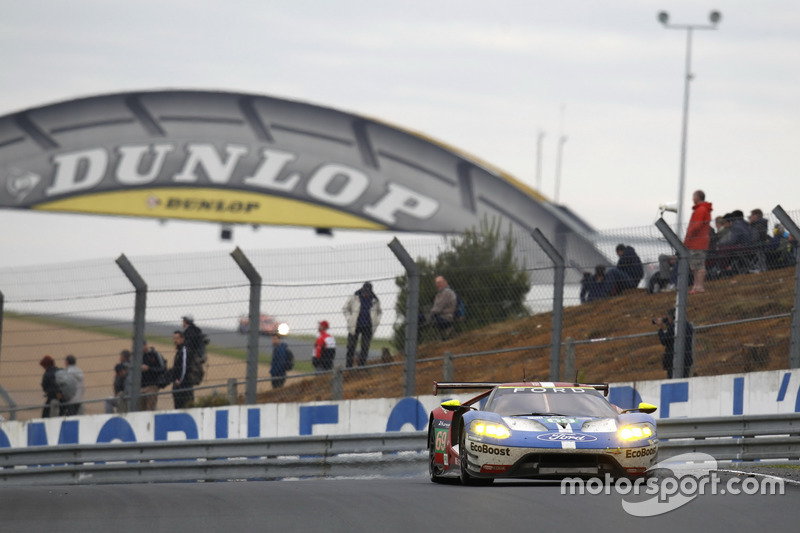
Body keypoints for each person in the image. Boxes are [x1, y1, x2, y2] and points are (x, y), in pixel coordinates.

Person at [342, 282, 383, 367]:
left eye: (368, 293)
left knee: (365, 347)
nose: (366, 295)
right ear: (362, 290)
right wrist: (350, 318)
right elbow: (345, 308)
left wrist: (376, 321)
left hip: (368, 326)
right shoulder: (354, 297)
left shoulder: (375, 300)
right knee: (351, 346)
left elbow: (379, 312)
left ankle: (361, 366)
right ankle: (348, 366)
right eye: (365, 292)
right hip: (355, 325)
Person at [684, 190, 713, 294]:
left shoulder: (701, 210)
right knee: (695, 266)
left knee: (698, 265)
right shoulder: (703, 209)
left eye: (693, 196)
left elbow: (696, 225)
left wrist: (689, 235)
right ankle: (696, 286)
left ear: (698, 197)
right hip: (698, 242)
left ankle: (699, 286)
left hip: (697, 242)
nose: (692, 198)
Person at [655, 308, 694, 379]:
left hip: (673, 360)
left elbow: (664, 340)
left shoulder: (675, 326)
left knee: (672, 382)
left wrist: (661, 329)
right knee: (684, 379)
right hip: (686, 358)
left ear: (671, 317)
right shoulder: (688, 325)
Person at [140, 339, 167, 411]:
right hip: (140, 386)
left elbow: (162, 368)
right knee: (140, 409)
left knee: (150, 408)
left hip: (152, 385)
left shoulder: (155, 354)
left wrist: (149, 368)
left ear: (145, 345)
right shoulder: (138, 357)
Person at [170, 330, 194, 409]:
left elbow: (184, 366)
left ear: (182, 339)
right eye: (174, 338)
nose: (175, 340)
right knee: (177, 407)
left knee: (185, 407)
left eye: (177, 338)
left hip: (183, 385)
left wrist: (180, 380)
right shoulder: (179, 351)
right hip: (178, 385)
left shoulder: (184, 350)